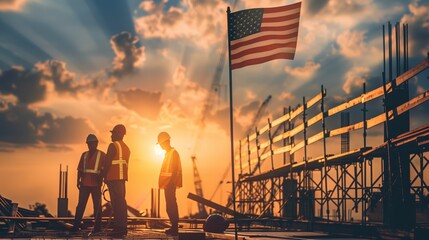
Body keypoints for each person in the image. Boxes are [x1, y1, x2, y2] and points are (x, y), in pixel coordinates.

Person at [72, 134, 105, 233]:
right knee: (81, 205)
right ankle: (76, 225)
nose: (90, 145)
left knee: (97, 206)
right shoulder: (84, 155)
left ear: (96, 143)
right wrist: (78, 180)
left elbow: (105, 169)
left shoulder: (102, 155)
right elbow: (80, 169)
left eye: (92, 143)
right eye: (89, 143)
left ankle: (97, 227)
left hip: (96, 184)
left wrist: (102, 178)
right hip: (85, 184)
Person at [103, 124, 130, 237]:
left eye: (113, 133)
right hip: (122, 179)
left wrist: (103, 176)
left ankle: (119, 227)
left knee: (117, 203)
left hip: (113, 178)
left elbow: (107, 162)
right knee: (121, 203)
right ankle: (121, 227)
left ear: (119, 134)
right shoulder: (126, 148)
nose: (111, 136)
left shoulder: (113, 146)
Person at [157, 132, 182, 235]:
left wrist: (171, 182)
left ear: (165, 142)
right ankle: (174, 226)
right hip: (167, 184)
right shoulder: (168, 153)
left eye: (161, 144)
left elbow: (175, 170)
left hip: (170, 184)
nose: (161, 146)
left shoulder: (173, 153)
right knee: (169, 205)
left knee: (171, 204)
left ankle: (175, 227)